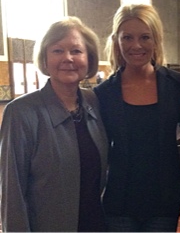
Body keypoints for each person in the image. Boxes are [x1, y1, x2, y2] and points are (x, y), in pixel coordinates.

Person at [0, 16, 108, 232]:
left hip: (95, 224)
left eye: (76, 51)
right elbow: (12, 192)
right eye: (57, 50)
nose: (68, 58)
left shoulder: (94, 102)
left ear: (89, 58)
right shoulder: (21, 112)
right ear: (45, 58)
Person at [94, 4, 180, 232]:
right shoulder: (104, 93)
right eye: (127, 37)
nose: (136, 45)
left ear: (156, 40)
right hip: (119, 202)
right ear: (117, 41)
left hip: (164, 202)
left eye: (145, 37)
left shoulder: (178, 85)